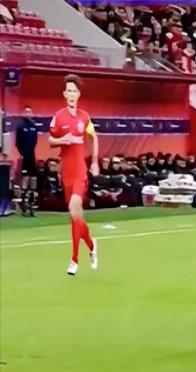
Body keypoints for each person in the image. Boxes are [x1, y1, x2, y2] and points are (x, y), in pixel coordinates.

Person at [48, 74, 99, 276]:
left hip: (80, 171)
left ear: (78, 94)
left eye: (74, 91)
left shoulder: (84, 117)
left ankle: (74, 259)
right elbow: (50, 140)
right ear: (64, 94)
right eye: (68, 90)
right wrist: (64, 140)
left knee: (73, 208)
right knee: (75, 216)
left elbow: (93, 137)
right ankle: (92, 245)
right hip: (66, 172)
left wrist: (94, 161)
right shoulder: (59, 117)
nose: (71, 94)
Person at [15, 105, 38, 216]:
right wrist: (23, 153)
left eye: (30, 112)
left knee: (33, 180)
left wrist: (30, 151)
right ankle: (23, 206)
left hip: (32, 156)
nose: (28, 114)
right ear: (23, 113)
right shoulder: (20, 127)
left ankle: (32, 206)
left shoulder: (34, 126)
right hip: (24, 157)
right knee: (25, 180)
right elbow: (17, 143)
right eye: (26, 112)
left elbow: (35, 141)